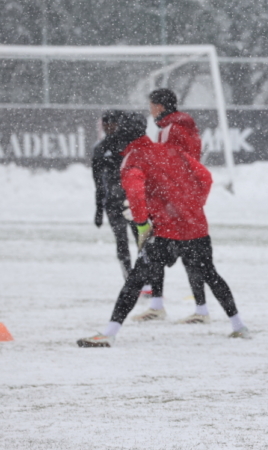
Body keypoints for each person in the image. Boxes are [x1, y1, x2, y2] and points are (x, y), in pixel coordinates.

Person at [76, 113, 250, 347]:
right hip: (195, 227)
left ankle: (109, 332)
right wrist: (192, 206)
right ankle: (239, 326)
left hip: (166, 232)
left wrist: (141, 224)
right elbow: (206, 177)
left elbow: (136, 194)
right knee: (210, 274)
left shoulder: (133, 159)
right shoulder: (171, 150)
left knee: (136, 280)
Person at [131, 88, 209, 324]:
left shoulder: (168, 131)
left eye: (151, 105)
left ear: (160, 107)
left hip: (172, 202)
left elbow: (165, 166)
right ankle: (201, 309)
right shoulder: (188, 128)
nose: (150, 110)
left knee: (152, 250)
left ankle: (157, 306)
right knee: (192, 255)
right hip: (188, 200)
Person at [91, 110, 137, 279]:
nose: (107, 127)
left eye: (111, 123)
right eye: (105, 124)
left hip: (132, 202)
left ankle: (144, 279)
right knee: (121, 241)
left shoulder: (130, 145)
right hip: (113, 203)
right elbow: (98, 182)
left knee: (141, 239)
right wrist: (98, 210)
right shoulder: (100, 149)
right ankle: (129, 277)